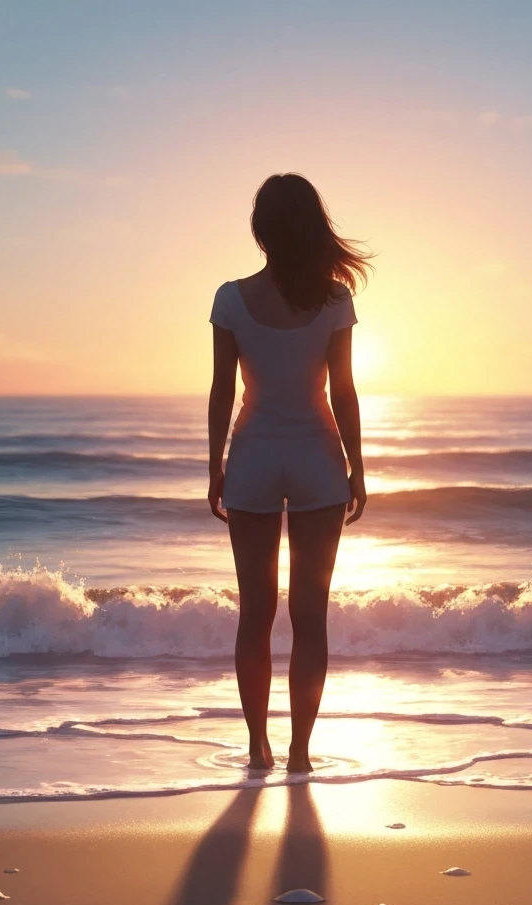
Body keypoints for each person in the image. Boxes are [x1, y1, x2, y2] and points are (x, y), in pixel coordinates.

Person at [207, 173, 372, 773]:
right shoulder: (335, 301)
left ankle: (258, 747)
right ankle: (301, 751)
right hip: (317, 460)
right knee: (310, 613)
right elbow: (345, 393)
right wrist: (358, 469)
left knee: (255, 613)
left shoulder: (230, 298)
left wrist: (215, 466)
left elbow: (223, 390)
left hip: (252, 457)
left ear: (260, 230)